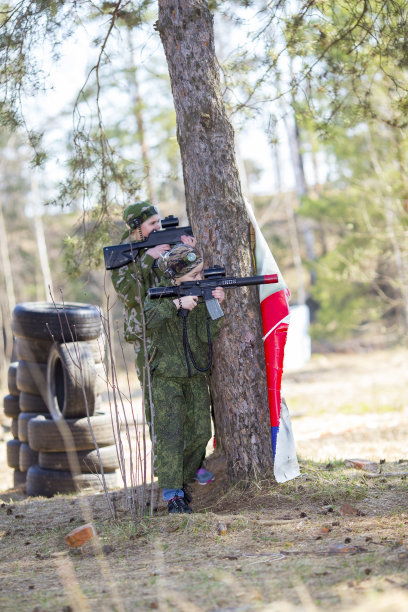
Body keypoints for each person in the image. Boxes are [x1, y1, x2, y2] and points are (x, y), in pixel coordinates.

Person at [144, 244, 225, 513]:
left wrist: (215, 305)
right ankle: (172, 494)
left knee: (201, 433)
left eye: (201, 275)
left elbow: (206, 335)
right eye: (193, 277)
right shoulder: (158, 297)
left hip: (195, 377)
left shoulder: (201, 299)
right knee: (170, 436)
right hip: (166, 378)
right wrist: (177, 305)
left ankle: (183, 482)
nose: (199, 281)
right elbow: (144, 322)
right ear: (175, 279)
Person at [111, 201, 195, 430]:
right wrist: (149, 257)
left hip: (175, 328)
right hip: (147, 335)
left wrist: (186, 252)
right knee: (156, 405)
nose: (158, 227)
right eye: (152, 223)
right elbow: (130, 295)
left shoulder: (166, 243)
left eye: (159, 222)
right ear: (137, 226)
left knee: (187, 403)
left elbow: (185, 280)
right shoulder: (121, 255)